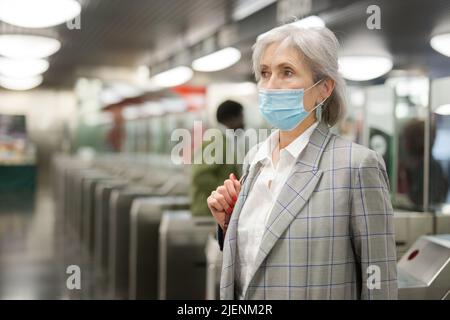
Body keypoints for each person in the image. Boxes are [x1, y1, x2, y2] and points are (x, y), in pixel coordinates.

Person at [207, 25, 397, 300]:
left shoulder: (356, 166)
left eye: (287, 72)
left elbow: (379, 282)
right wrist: (228, 226)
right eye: (264, 72)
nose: (271, 85)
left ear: (323, 89)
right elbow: (256, 262)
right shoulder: (255, 160)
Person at [190, 100, 244, 216]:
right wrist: (229, 193)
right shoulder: (217, 141)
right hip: (207, 213)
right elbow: (200, 176)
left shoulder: (226, 140)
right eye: (241, 117)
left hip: (216, 211)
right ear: (231, 119)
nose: (243, 122)